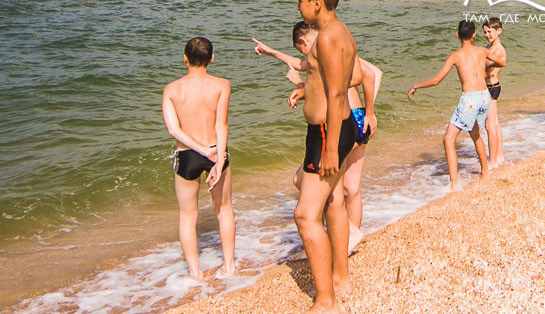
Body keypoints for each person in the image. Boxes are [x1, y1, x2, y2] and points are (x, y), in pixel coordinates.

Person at [253, 23, 381, 250]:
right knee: (351, 188)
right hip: (359, 120)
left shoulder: (329, 49)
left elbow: (368, 75)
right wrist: (368, 113)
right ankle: (349, 241)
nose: (303, 56)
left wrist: (370, 112)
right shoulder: (336, 49)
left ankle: (343, 235)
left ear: (304, 41)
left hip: (346, 122)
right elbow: (309, 71)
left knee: (303, 181)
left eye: (301, 49)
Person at [291, 0, 361, 312]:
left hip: (326, 133)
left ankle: (325, 301)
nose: (298, 6)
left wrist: (331, 147)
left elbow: (336, 93)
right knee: (333, 202)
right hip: (335, 127)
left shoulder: (329, 38)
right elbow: (337, 80)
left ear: (316, 3)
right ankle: (340, 278)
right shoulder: (341, 31)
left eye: (300, 0)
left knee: (305, 215)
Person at [161, 37, 236, 281]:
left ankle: (195, 273)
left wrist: (202, 150)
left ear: (185, 58)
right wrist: (216, 156)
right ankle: (228, 267)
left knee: (187, 216)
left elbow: (174, 130)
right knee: (224, 210)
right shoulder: (222, 85)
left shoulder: (171, 90)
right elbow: (221, 124)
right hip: (217, 151)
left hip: (188, 155)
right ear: (211, 59)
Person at [408, 20, 504, 191]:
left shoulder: (455, 56)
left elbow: (437, 80)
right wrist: (486, 66)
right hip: (484, 96)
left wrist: (416, 85)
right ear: (474, 35)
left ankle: (454, 184)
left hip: (470, 100)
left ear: (457, 35)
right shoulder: (483, 51)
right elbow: (502, 62)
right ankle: (485, 172)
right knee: (475, 133)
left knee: (448, 139)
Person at [482, 17, 508, 167]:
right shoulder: (489, 47)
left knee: (489, 125)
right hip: (491, 86)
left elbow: (488, 68)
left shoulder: (498, 49)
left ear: (499, 31)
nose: (487, 35)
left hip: (492, 87)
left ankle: (492, 161)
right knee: (495, 123)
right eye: (485, 32)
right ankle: (499, 156)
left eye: (490, 31)